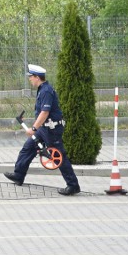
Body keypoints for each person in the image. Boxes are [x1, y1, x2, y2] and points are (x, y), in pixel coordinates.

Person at [4, 64, 81, 195]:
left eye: (31, 77)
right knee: (28, 148)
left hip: (52, 130)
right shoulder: (41, 89)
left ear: (37, 77)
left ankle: (73, 185)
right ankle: (18, 175)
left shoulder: (46, 91)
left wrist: (33, 128)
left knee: (58, 156)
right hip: (44, 129)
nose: (30, 79)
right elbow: (42, 113)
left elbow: (45, 113)